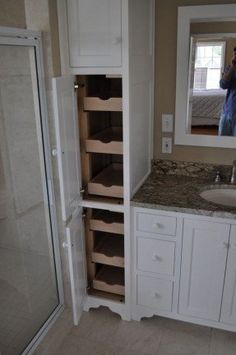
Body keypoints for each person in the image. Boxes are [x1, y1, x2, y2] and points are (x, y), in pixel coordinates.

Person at [219, 47, 236, 136]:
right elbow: (223, 85)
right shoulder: (229, 68)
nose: (234, 57)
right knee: (223, 143)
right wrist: (233, 68)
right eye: (234, 54)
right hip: (228, 111)